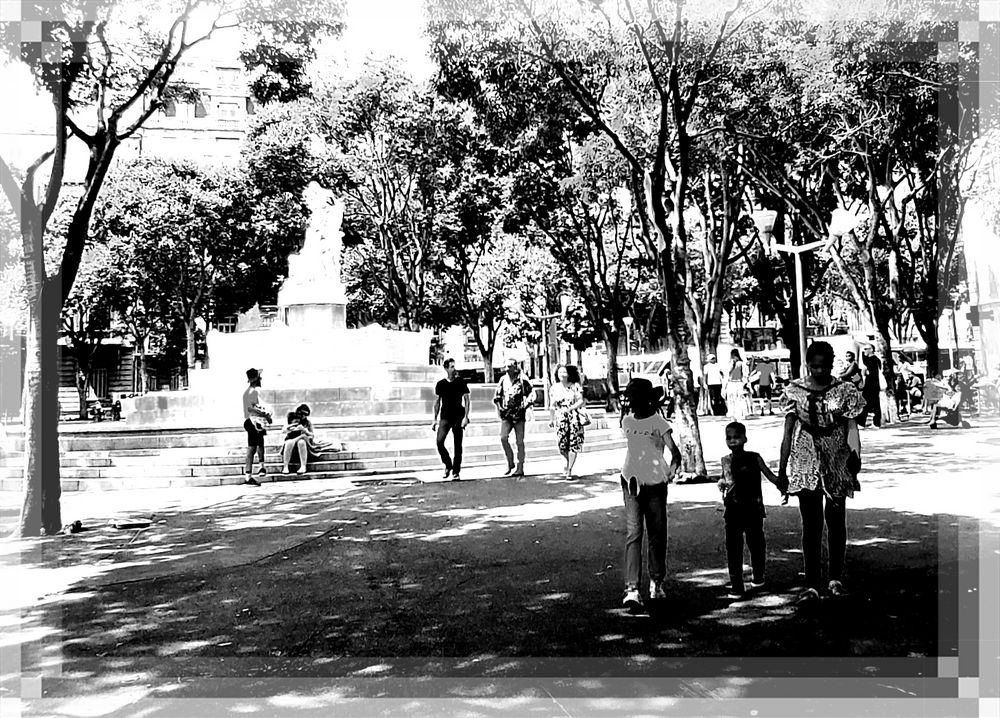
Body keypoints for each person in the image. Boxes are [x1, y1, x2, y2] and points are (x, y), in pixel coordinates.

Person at [778, 341, 865, 604]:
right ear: (807, 364)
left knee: (836, 520)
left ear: (831, 364)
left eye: (824, 366)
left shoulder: (844, 391)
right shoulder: (795, 391)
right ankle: (811, 584)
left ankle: (835, 578)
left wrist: (856, 458)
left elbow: (852, 428)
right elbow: (787, 433)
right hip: (805, 456)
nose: (819, 371)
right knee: (811, 522)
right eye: (814, 366)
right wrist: (782, 470)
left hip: (837, 454)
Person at [619, 377, 682, 612]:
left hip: (655, 484)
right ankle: (632, 588)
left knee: (657, 533)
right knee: (634, 533)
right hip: (630, 482)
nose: (631, 402)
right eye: (629, 398)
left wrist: (671, 472)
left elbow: (675, 453)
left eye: (635, 397)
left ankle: (657, 581)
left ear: (647, 400)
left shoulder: (659, 422)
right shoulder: (626, 421)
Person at [718, 421, 786, 599]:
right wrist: (721, 484)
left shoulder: (755, 457)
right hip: (732, 509)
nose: (733, 441)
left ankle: (758, 575)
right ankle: (736, 585)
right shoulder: (726, 461)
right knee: (733, 546)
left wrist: (783, 484)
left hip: (753, 508)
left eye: (736, 437)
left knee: (756, 543)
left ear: (744, 439)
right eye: (729, 438)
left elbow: (770, 476)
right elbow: (724, 480)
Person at [493, 358, 534, 478]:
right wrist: (499, 408)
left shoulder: (522, 379)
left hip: (519, 415)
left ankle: (520, 467)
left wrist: (527, 404)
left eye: (510, 366)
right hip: (506, 414)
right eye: (505, 366)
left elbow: (531, 393)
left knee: (519, 442)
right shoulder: (503, 380)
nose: (507, 369)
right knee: (503, 437)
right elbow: (497, 396)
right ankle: (510, 461)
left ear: (515, 367)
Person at [432, 358, 471, 481]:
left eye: (454, 366)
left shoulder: (460, 382)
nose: (454, 369)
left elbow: (467, 400)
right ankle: (448, 464)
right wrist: (434, 419)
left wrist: (466, 417)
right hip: (445, 417)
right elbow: (437, 402)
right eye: (452, 367)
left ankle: (456, 471)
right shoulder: (441, 384)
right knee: (439, 442)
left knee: (457, 445)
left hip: (458, 416)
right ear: (446, 368)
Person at [548, 365, 587, 479]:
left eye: (564, 372)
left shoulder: (575, 386)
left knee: (573, 444)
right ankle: (567, 462)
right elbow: (552, 405)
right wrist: (551, 419)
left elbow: (580, 401)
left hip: (574, 417)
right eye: (560, 372)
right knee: (562, 444)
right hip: (560, 417)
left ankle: (569, 469)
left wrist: (570, 409)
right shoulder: (554, 388)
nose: (562, 374)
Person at [241, 368, 270, 485]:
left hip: (251, 420)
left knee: (258, 444)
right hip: (253, 421)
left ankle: (257, 469)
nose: (260, 380)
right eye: (259, 378)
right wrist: (265, 416)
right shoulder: (252, 392)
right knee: (252, 448)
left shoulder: (248, 392)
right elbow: (252, 409)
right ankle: (249, 475)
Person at [857, 345, 883, 429]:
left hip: (871, 385)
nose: (864, 351)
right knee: (874, 404)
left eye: (866, 349)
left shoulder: (872, 360)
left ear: (871, 350)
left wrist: (863, 372)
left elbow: (866, 372)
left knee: (865, 404)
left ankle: (862, 423)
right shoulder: (876, 360)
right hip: (874, 385)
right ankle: (876, 423)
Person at [280, 411, 310, 476]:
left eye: (298, 420)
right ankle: (285, 466)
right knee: (289, 443)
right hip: (290, 445)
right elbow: (283, 430)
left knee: (301, 442)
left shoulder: (302, 426)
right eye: (294, 420)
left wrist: (304, 430)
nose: (297, 422)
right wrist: (290, 427)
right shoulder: (289, 426)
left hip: (300, 443)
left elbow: (308, 435)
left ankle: (303, 466)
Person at [725, 348, 750, 421]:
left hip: (736, 382)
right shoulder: (732, 364)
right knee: (733, 399)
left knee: (737, 399)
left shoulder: (741, 364)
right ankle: (733, 414)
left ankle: (738, 414)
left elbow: (744, 374)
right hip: (734, 383)